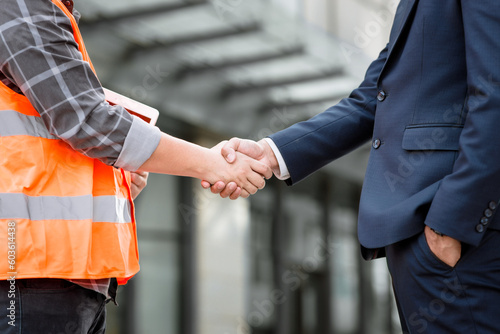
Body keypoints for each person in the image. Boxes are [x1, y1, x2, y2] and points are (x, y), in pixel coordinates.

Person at [205, 1, 500, 332]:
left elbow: (495, 92)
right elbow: (372, 99)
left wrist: (450, 226)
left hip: (461, 239)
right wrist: (269, 154)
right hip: (430, 240)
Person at [0, 0, 271, 333]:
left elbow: (46, 148)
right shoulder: (21, 6)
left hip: (55, 277)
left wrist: (118, 182)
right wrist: (212, 165)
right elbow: (86, 120)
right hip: (29, 275)